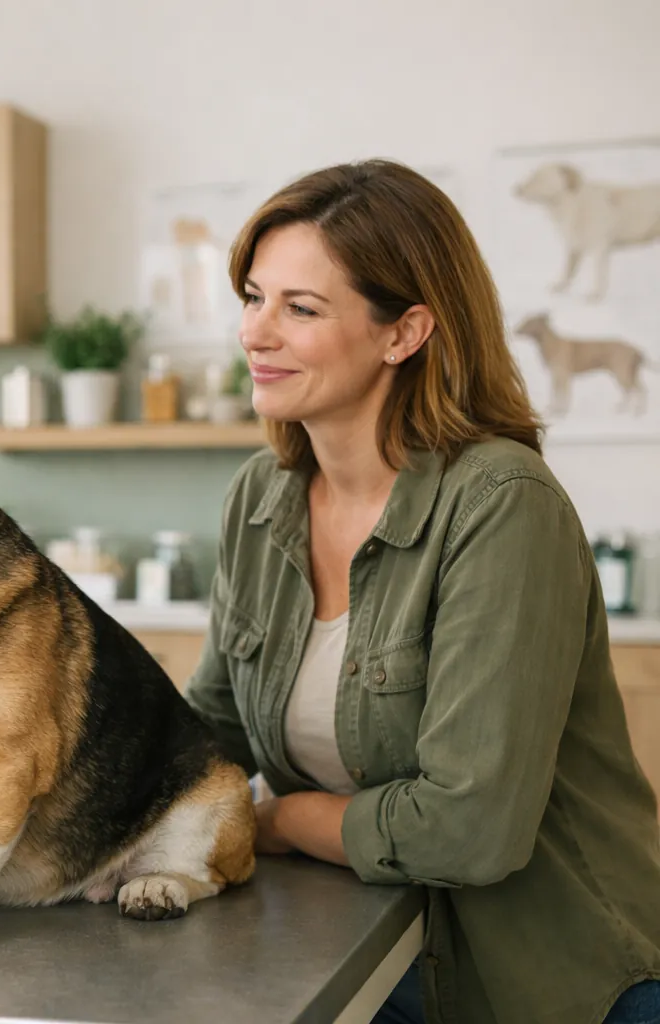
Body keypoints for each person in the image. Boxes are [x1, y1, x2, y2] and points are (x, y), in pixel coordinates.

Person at [183, 159, 660, 1024]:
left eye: (301, 308)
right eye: (253, 297)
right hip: (359, 949)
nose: (255, 332)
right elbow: (206, 736)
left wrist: (282, 820)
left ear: (403, 333)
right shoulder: (260, 497)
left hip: (551, 985)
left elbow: (470, 828)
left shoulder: (501, 503)